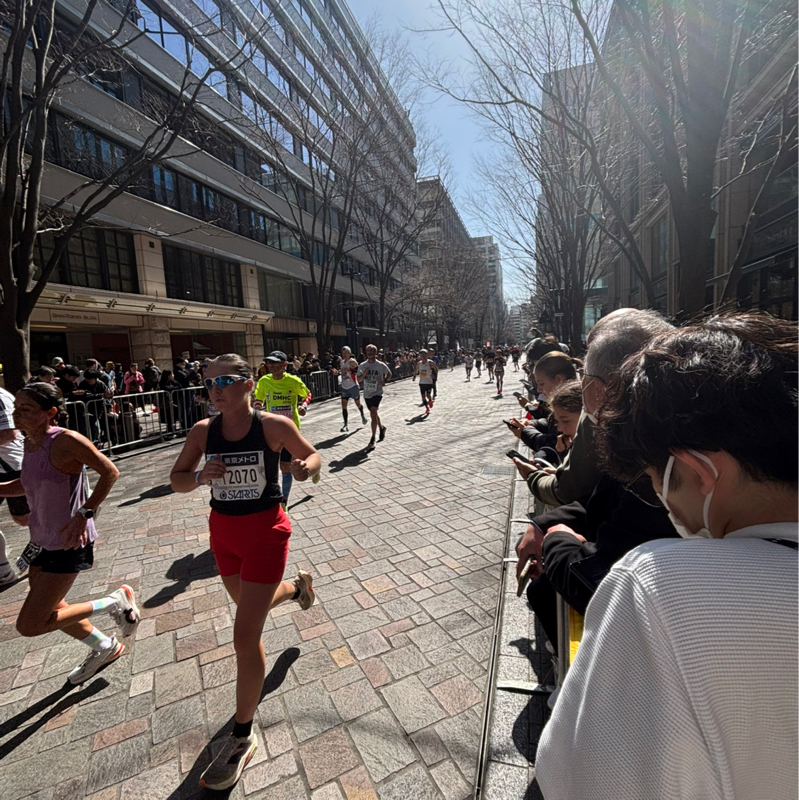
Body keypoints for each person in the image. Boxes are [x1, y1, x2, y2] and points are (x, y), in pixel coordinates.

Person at [536, 313, 798, 800]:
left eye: (657, 479)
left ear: (700, 473)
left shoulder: (657, 586)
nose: (660, 499)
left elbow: (572, 776)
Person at [170, 354, 320, 792]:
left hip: (266, 535)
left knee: (243, 634)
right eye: (209, 381)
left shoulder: (272, 426)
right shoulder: (203, 431)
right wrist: (199, 477)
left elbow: (312, 456)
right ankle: (296, 590)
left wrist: (303, 468)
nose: (215, 389)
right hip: (224, 536)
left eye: (226, 380)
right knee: (248, 610)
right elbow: (176, 478)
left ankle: (240, 735)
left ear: (248, 384)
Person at [0, 383, 140, 683]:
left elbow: (110, 472)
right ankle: (104, 646)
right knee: (53, 608)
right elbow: (29, 483)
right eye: (16, 408)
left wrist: (84, 512)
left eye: (26, 409)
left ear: (49, 413)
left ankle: (114, 602)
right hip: (41, 540)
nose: (16, 414)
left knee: (30, 624)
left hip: (69, 541)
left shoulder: (65, 441)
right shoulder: (29, 443)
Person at [253, 351, 313, 504]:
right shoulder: (264, 381)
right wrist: (258, 406)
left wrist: (303, 406)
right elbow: (258, 398)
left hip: (290, 428)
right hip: (271, 429)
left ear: (284, 365)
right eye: (269, 363)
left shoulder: (293, 381)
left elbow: (307, 395)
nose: (271, 366)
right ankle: (282, 497)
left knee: (287, 464)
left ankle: (284, 500)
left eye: (275, 363)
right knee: (277, 465)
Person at [0, 387, 30, 586]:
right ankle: (3, 571)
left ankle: (78, 513)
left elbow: (9, 433)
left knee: (24, 518)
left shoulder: (0, 397)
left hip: (13, 466)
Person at [356, 345, 391, 451]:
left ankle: (372, 438)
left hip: (377, 392)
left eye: (371, 351)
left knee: (373, 412)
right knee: (374, 414)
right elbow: (358, 379)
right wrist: (364, 374)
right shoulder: (362, 365)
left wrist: (384, 380)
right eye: (368, 351)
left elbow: (389, 373)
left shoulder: (380, 365)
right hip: (367, 393)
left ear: (375, 353)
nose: (369, 353)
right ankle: (381, 428)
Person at [334, 346, 366, 432]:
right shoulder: (341, 362)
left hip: (353, 386)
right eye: (343, 353)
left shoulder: (352, 361)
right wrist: (337, 372)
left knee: (358, 404)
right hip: (345, 387)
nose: (344, 355)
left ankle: (362, 415)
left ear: (349, 353)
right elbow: (341, 371)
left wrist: (349, 370)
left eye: (346, 353)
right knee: (344, 406)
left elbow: (358, 371)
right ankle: (345, 424)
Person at [412, 349, 437, 415]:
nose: (422, 356)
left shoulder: (430, 362)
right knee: (423, 397)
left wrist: (434, 375)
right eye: (421, 355)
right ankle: (427, 408)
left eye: (424, 355)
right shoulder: (419, 363)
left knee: (428, 395)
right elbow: (416, 370)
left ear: (426, 355)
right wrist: (414, 376)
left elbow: (436, 369)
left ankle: (430, 400)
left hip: (429, 381)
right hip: (422, 382)